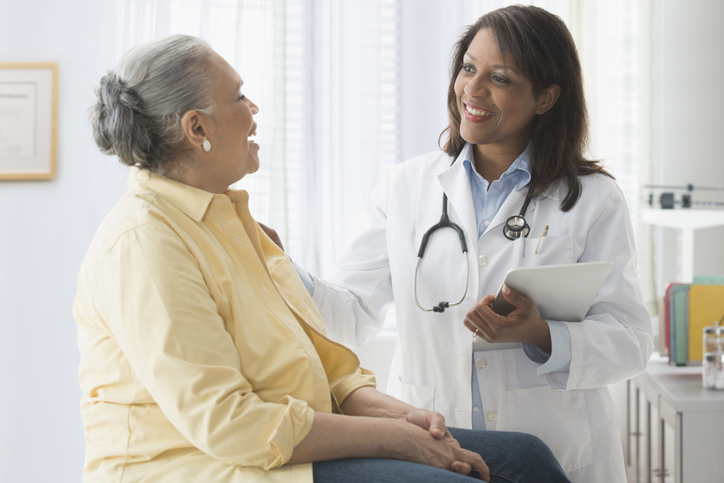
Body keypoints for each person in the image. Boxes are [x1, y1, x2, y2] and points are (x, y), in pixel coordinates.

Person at [74, 34, 572, 483]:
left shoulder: (233, 220)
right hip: (204, 465)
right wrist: (398, 440)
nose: (254, 109)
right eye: (239, 96)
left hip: (284, 445)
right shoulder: (145, 242)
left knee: (528, 460)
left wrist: (406, 419)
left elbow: (328, 369)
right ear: (196, 127)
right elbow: (230, 426)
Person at [303, 5, 654, 482]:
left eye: (500, 78)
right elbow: (347, 313)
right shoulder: (407, 186)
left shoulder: (592, 199)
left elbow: (631, 340)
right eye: (468, 68)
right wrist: (276, 266)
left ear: (546, 97)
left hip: (555, 450)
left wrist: (541, 335)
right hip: (435, 444)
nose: (472, 88)